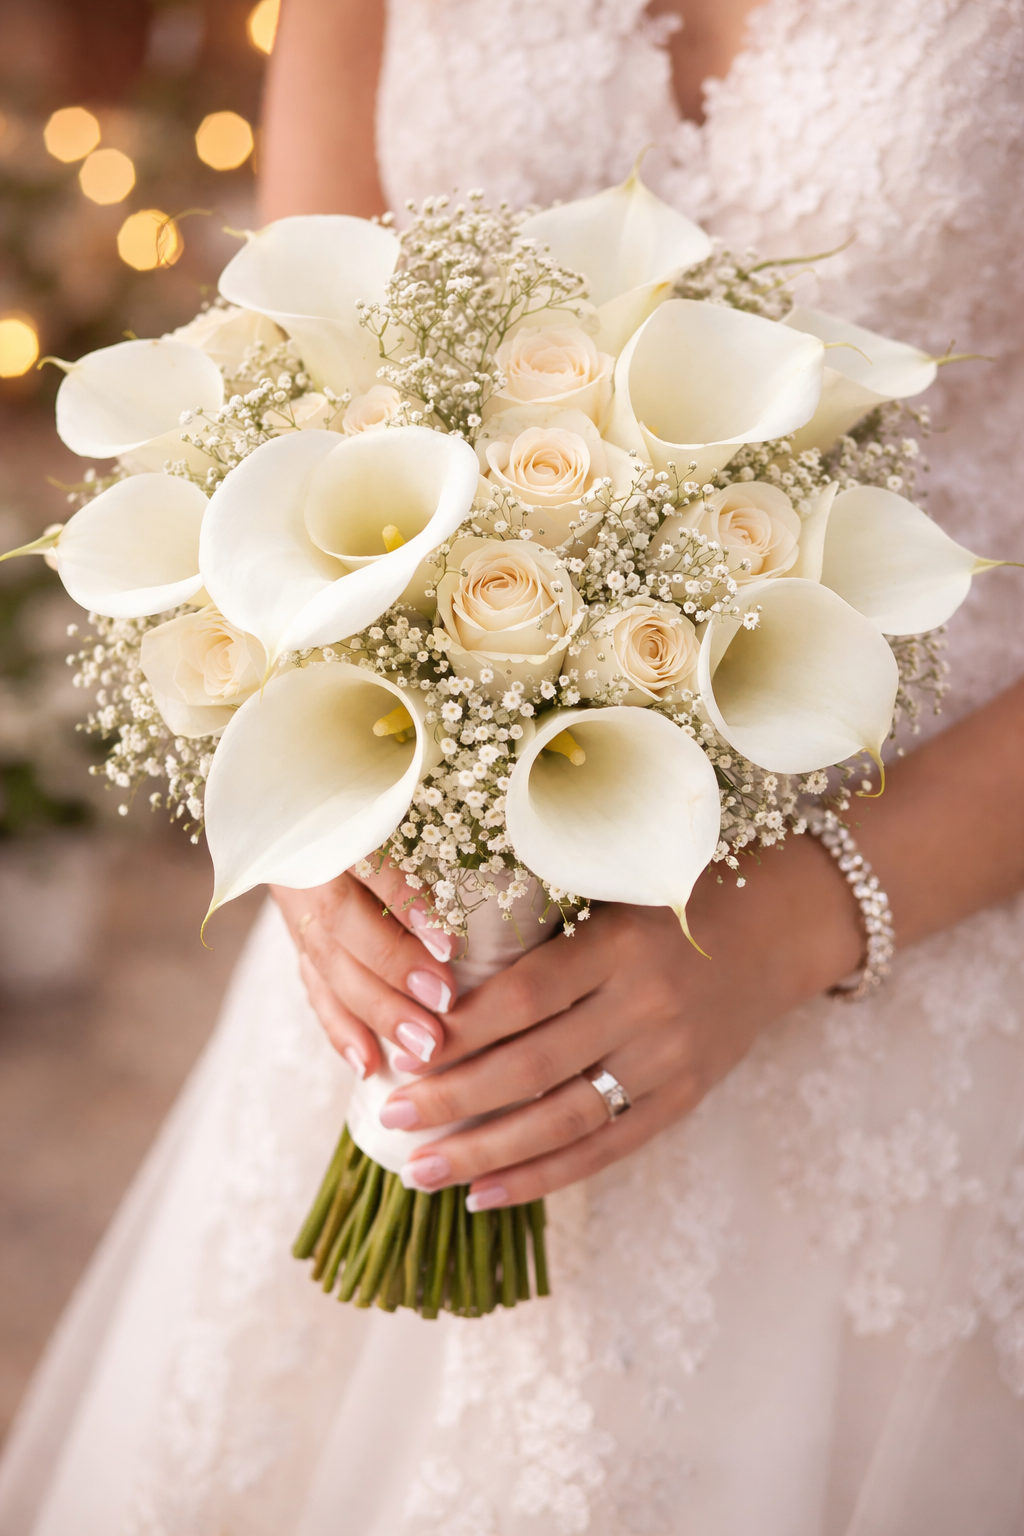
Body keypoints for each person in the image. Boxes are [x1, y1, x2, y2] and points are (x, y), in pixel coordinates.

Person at [1, 2, 1023, 1532]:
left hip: (937, 909)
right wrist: (312, 833)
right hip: (425, 925)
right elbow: (293, 386)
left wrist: (788, 928)